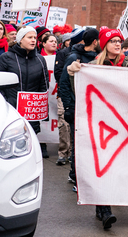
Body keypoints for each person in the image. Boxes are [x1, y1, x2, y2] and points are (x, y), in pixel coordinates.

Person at [66, 28, 128, 230]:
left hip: (123, 124)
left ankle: (101, 206)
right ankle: (105, 210)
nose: (117, 44)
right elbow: (79, 89)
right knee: (102, 165)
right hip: (100, 123)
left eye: (119, 41)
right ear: (104, 44)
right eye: (113, 41)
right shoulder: (93, 66)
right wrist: (73, 74)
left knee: (116, 166)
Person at [60, 28, 100, 192]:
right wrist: (69, 106)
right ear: (95, 42)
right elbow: (64, 83)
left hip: (93, 109)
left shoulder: (98, 59)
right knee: (79, 144)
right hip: (78, 106)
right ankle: (77, 177)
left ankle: (75, 173)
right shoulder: (73, 58)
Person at [0, 27, 49, 138]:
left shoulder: (40, 59)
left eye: (35, 38)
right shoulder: (6, 58)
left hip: (31, 111)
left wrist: (43, 109)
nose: (33, 40)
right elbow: (0, 84)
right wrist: (6, 102)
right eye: (29, 37)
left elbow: (44, 86)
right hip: (11, 109)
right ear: (20, 39)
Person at [53, 27, 84, 166]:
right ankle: (63, 153)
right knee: (64, 123)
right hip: (65, 93)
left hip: (80, 94)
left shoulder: (87, 55)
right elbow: (59, 73)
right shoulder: (64, 54)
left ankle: (73, 153)